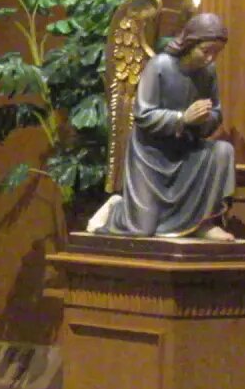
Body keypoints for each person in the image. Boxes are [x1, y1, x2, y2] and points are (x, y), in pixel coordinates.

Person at [93, 12, 235, 239]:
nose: (211, 59)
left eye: (216, 53)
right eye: (206, 51)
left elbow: (216, 112)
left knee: (222, 151)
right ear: (189, 44)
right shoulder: (160, 65)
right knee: (142, 230)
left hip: (185, 150)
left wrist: (205, 118)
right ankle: (116, 210)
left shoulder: (208, 73)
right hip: (150, 156)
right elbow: (143, 114)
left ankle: (205, 222)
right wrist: (182, 118)